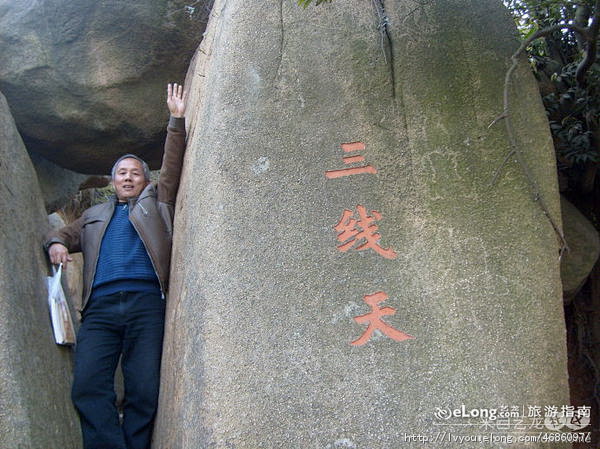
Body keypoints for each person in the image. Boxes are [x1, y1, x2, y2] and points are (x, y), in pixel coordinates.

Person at [45, 83, 187, 449]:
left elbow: (171, 170)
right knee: (88, 385)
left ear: (144, 180)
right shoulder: (94, 214)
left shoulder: (157, 204)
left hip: (145, 303)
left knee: (143, 388)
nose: (127, 177)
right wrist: (57, 242)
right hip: (100, 309)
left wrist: (176, 120)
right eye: (121, 173)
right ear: (112, 181)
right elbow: (63, 234)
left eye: (135, 173)